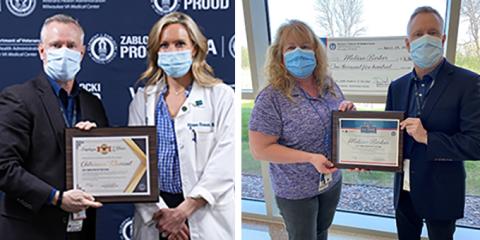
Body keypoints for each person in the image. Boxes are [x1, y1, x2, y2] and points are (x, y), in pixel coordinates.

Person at [0, 14, 108, 240]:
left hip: (80, 232)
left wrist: (97, 142)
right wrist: (56, 197)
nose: (64, 52)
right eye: (56, 45)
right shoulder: (18, 98)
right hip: (30, 230)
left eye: (71, 45)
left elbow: (107, 166)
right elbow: (4, 167)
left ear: (82, 52)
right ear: (42, 51)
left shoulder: (92, 104)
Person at [128, 12, 234, 240]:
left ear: (194, 48)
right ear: (156, 52)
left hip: (203, 211)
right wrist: (164, 217)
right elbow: (134, 164)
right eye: (164, 45)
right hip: (158, 214)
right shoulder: (143, 99)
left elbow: (227, 160)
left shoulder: (221, 96)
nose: (172, 51)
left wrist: (184, 211)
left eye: (180, 44)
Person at [248, 20, 355, 240]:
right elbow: (260, 150)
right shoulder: (271, 97)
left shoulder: (329, 85)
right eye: (291, 47)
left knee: (322, 231)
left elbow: (339, 122)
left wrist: (349, 114)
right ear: (280, 55)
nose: (299, 52)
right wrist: (309, 158)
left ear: (316, 51)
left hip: (331, 181)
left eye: (305, 46)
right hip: (295, 190)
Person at [386, 6, 480, 240]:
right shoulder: (396, 87)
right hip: (404, 191)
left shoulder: (468, 83)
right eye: (418, 34)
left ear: (443, 38)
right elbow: (387, 138)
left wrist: (428, 137)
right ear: (408, 43)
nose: (425, 38)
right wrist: (367, 159)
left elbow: (476, 143)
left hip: (442, 191)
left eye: (433, 32)